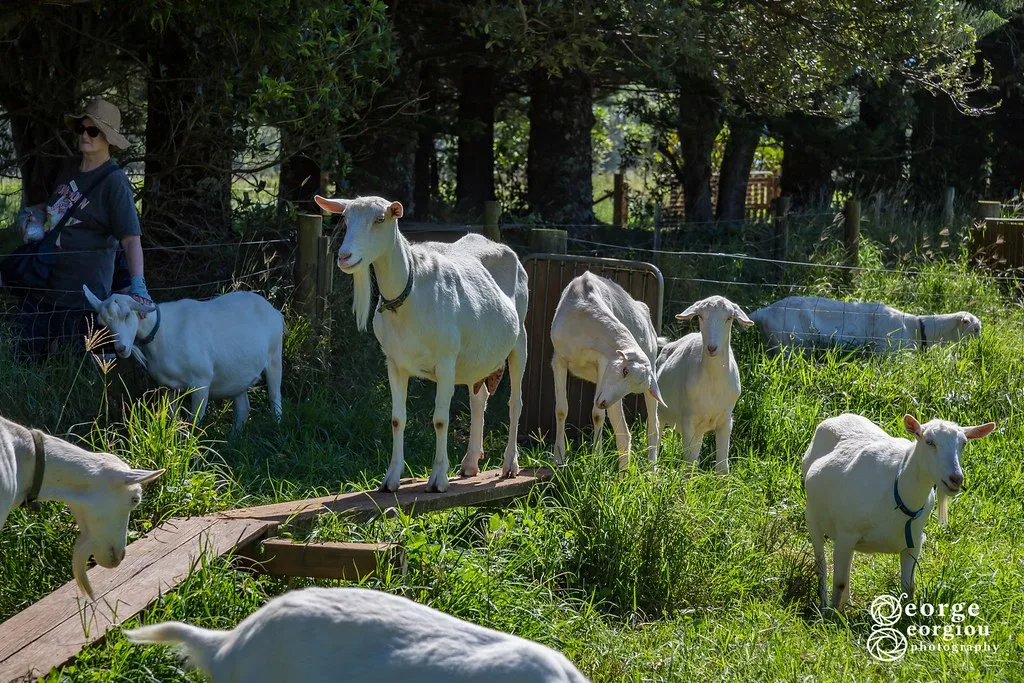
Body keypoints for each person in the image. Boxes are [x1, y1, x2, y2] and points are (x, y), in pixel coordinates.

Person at [12, 97, 152, 359]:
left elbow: (131, 240)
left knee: (74, 370)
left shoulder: (115, 183)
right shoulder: (67, 168)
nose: (84, 135)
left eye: (93, 131)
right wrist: (33, 215)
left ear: (108, 138)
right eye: (81, 129)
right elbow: (57, 205)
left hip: (83, 299)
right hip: (43, 286)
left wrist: (138, 287)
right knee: (26, 360)